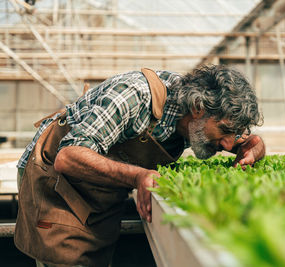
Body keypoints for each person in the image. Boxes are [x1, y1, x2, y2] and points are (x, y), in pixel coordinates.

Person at [14, 65, 265, 267]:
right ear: (198, 109)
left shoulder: (200, 117)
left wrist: (253, 148)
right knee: (66, 257)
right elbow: (68, 156)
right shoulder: (134, 96)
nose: (229, 142)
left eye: (234, 133)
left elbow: (252, 142)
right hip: (54, 180)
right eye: (224, 130)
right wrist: (138, 175)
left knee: (96, 254)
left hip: (99, 190)